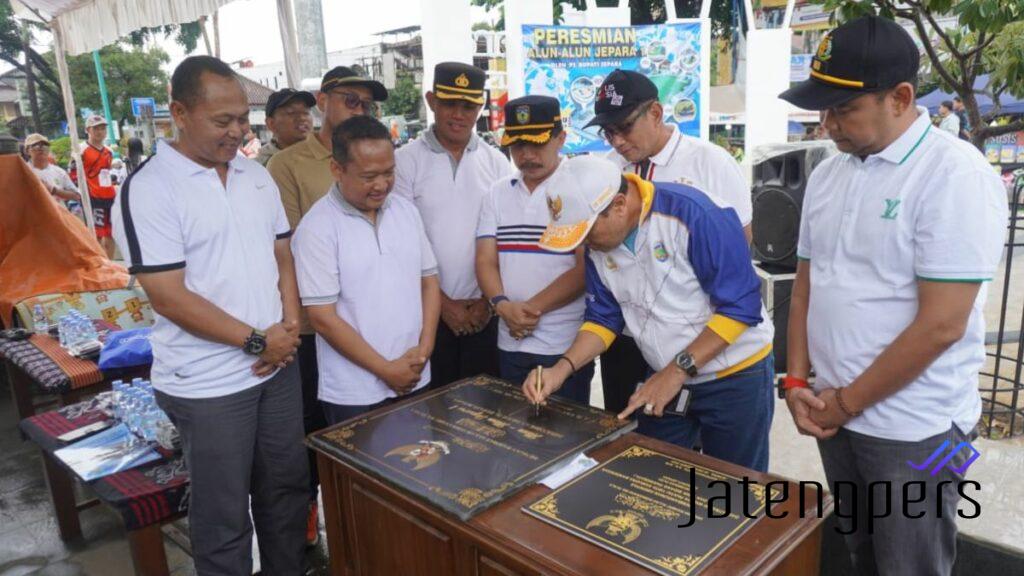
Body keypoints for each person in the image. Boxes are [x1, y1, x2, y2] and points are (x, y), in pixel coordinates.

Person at [778, 16, 1007, 575]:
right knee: (861, 550)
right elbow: (807, 286)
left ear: (901, 98)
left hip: (920, 427)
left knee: (912, 563)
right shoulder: (830, 174)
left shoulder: (954, 176)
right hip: (834, 414)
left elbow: (942, 325)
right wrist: (796, 382)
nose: (826, 124)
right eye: (822, 109)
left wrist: (846, 400)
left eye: (843, 109)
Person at [111, 55, 308, 576]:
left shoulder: (255, 176)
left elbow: (282, 256)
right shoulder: (149, 189)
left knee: (286, 494)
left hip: (277, 366)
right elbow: (169, 295)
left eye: (243, 119)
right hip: (209, 383)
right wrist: (256, 341)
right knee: (223, 519)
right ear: (178, 111)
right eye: (223, 122)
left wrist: (287, 327)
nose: (238, 131)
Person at [523, 155, 775, 472]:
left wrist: (675, 372)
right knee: (653, 475)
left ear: (617, 205)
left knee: (736, 487)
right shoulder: (599, 245)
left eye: (586, 233)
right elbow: (603, 317)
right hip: (663, 374)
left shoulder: (697, 215)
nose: (585, 246)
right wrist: (561, 368)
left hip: (735, 376)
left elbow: (741, 306)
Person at [585, 69, 755, 415]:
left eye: (624, 127)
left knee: (724, 464)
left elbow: (740, 249)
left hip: (708, 342)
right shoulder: (609, 170)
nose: (617, 141)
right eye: (608, 132)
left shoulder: (710, 162)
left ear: (656, 114)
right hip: (632, 338)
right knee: (640, 444)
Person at [266, 64, 387, 547]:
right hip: (314, 327)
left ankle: (366, 525)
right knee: (314, 430)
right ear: (323, 101)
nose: (360, 109)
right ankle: (313, 522)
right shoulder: (289, 164)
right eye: (350, 100)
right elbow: (289, 250)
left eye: (367, 104)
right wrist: (298, 321)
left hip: (369, 322)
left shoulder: (377, 157)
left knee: (370, 432)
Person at [292, 115, 440, 424]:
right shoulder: (317, 228)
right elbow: (323, 317)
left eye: (389, 173)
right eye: (369, 176)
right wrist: (386, 370)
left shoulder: (406, 211)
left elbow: (429, 282)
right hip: (354, 392)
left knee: (419, 464)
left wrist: (424, 350)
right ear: (337, 169)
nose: (381, 185)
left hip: (415, 374)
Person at [394, 62, 512, 388]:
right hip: (425, 316)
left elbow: (506, 241)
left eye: (468, 106)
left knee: (487, 413)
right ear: (432, 101)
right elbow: (401, 245)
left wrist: (490, 302)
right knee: (435, 414)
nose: (458, 114)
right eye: (449, 103)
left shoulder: (497, 163)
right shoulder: (404, 162)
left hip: (484, 315)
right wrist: (442, 304)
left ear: (480, 108)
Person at [475, 95, 593, 402]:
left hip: (563, 345)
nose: (527, 155)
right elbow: (486, 260)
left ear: (561, 138)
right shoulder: (497, 194)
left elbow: (583, 270)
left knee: (566, 438)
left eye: (537, 144)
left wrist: (526, 313)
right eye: (517, 145)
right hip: (510, 341)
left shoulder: (581, 189)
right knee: (515, 436)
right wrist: (502, 306)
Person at [81, 114, 117, 258]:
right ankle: (98, 265)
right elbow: (74, 174)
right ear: (88, 130)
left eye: (102, 128)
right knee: (95, 233)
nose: (100, 132)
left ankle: (111, 264)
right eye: (96, 129)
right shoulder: (81, 150)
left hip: (109, 196)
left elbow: (106, 172)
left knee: (111, 234)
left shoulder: (109, 152)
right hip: (92, 197)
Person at [256, 88, 315, 167]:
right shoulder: (261, 168)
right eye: (291, 113)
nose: (302, 118)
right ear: (271, 124)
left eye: (306, 112)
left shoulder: (327, 157)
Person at [24, 133, 80, 205]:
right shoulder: (23, 171)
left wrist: (54, 190)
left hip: (58, 214)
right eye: (36, 145)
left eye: (45, 145)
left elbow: (76, 196)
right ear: (27, 150)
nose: (41, 148)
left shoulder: (59, 172)